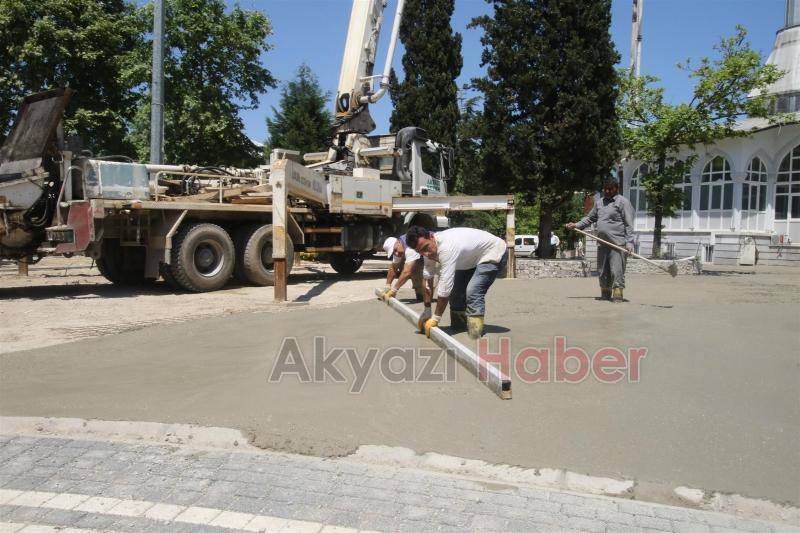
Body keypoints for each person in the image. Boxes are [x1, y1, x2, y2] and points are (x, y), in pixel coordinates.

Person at [405, 226, 508, 339]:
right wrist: (427, 310)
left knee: (473, 291)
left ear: (431, 236)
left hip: (493, 251)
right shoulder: (428, 250)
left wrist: (435, 318)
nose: (426, 254)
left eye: (426, 248)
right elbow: (427, 279)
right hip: (471, 258)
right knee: (456, 294)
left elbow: (445, 288)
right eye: (420, 252)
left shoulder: (447, 247)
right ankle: (459, 326)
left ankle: (475, 332)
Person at [566, 178, 634, 302]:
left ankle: (618, 294)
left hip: (617, 244)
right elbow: (590, 218)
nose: (607, 191)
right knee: (602, 271)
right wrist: (576, 225)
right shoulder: (599, 203)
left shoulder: (623, 202)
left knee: (616, 271)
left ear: (616, 189)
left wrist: (629, 243)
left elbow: (629, 224)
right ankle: (605, 293)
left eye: (610, 189)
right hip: (602, 243)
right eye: (605, 189)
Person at [379, 236, 424, 301]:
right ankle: (421, 293)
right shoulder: (398, 248)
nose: (396, 253)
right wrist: (388, 286)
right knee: (422, 297)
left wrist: (394, 290)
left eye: (395, 250)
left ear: (398, 242)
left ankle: (424, 291)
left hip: (437, 257)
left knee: (433, 290)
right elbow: (394, 267)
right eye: (393, 252)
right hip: (424, 258)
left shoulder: (410, 247)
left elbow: (407, 272)